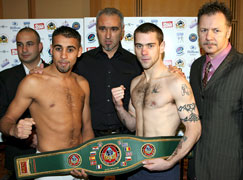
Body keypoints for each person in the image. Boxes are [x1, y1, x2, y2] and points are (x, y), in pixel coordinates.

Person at [0, 26, 94, 180]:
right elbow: (6, 119)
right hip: (49, 167)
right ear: (51, 49)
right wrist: (14, 130)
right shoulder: (33, 82)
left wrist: (87, 159)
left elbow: (87, 127)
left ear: (79, 51)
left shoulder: (82, 83)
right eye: (58, 48)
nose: (63, 56)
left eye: (70, 49)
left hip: (77, 165)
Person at [111, 23, 201, 180]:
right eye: (139, 46)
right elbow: (132, 125)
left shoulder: (175, 82)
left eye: (150, 45)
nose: (144, 52)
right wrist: (119, 107)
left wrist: (170, 162)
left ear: (162, 46)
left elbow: (194, 128)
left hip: (163, 165)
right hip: (135, 165)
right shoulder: (135, 83)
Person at [188, 1, 243, 180]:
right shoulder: (196, 66)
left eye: (216, 30)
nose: (209, 36)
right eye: (204, 30)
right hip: (196, 165)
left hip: (230, 168)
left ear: (228, 32)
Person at [73, 7, 143, 138]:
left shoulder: (136, 63)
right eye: (103, 29)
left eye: (114, 29)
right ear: (96, 30)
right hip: (90, 139)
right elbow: (59, 77)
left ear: (122, 31)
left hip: (127, 137)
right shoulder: (81, 62)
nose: (108, 35)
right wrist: (42, 70)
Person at [0, 27, 48, 180]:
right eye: (20, 45)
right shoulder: (5, 78)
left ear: (40, 46)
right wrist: (27, 136)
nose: (24, 49)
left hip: (53, 155)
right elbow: (2, 118)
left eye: (29, 44)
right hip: (19, 156)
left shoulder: (56, 74)